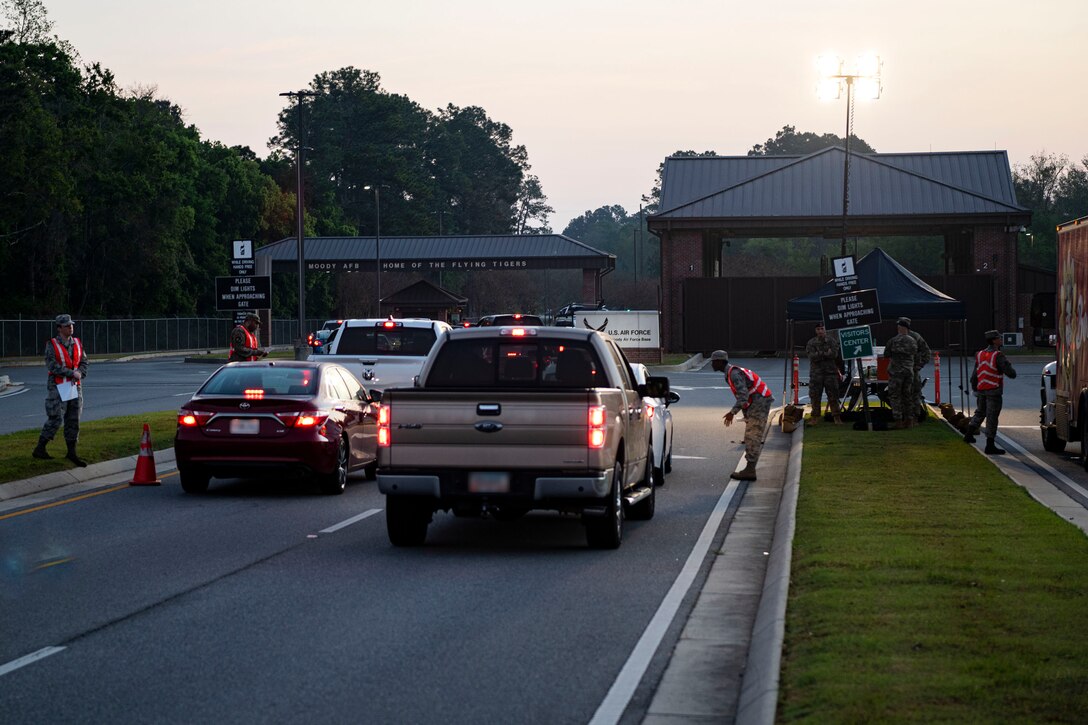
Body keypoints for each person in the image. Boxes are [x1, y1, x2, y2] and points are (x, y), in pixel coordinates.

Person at [33, 314, 90, 466]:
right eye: (66, 325)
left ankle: (72, 452)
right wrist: (72, 373)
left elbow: (84, 361)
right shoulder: (52, 344)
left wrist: (80, 373)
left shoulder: (77, 342)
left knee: (74, 418)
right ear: (59, 328)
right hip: (57, 385)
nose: (70, 327)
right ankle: (40, 448)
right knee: (55, 417)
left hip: (74, 385)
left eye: (71, 325)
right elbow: (52, 365)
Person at [709, 350, 774, 480]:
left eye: (713, 362)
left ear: (720, 362)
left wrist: (732, 412)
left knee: (752, 436)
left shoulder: (733, 374)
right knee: (751, 435)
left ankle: (750, 470)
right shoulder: (730, 373)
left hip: (760, 401)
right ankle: (750, 468)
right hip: (756, 401)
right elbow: (744, 395)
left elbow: (743, 396)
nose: (712, 364)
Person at [964, 330, 1017, 454]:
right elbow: (1011, 373)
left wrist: (975, 388)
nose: (1001, 340)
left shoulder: (980, 354)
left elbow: (974, 375)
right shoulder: (998, 355)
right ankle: (990, 445)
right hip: (994, 390)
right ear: (994, 340)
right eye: (999, 338)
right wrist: (1009, 366)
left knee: (980, 412)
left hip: (982, 389)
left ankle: (968, 434)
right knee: (992, 417)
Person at [805, 322, 843, 424]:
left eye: (822, 329)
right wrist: (826, 353)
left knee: (833, 396)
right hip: (816, 374)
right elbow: (812, 357)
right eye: (818, 329)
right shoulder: (811, 342)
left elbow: (834, 354)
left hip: (830, 373)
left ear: (825, 330)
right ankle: (815, 417)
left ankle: (836, 417)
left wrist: (819, 354)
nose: (820, 331)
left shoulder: (832, 341)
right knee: (815, 396)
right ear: (815, 331)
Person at [884, 319, 918, 429]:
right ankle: (909, 420)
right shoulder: (913, 340)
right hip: (909, 372)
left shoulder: (893, 341)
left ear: (900, 328)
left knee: (895, 396)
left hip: (896, 372)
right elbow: (916, 354)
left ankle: (898, 420)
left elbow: (886, 354)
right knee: (907, 396)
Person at [898, 316, 932, 415]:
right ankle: (907, 415)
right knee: (904, 394)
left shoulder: (915, 337)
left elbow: (926, 352)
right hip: (902, 371)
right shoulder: (899, 337)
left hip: (912, 370)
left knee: (914, 394)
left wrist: (919, 365)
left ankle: (916, 416)